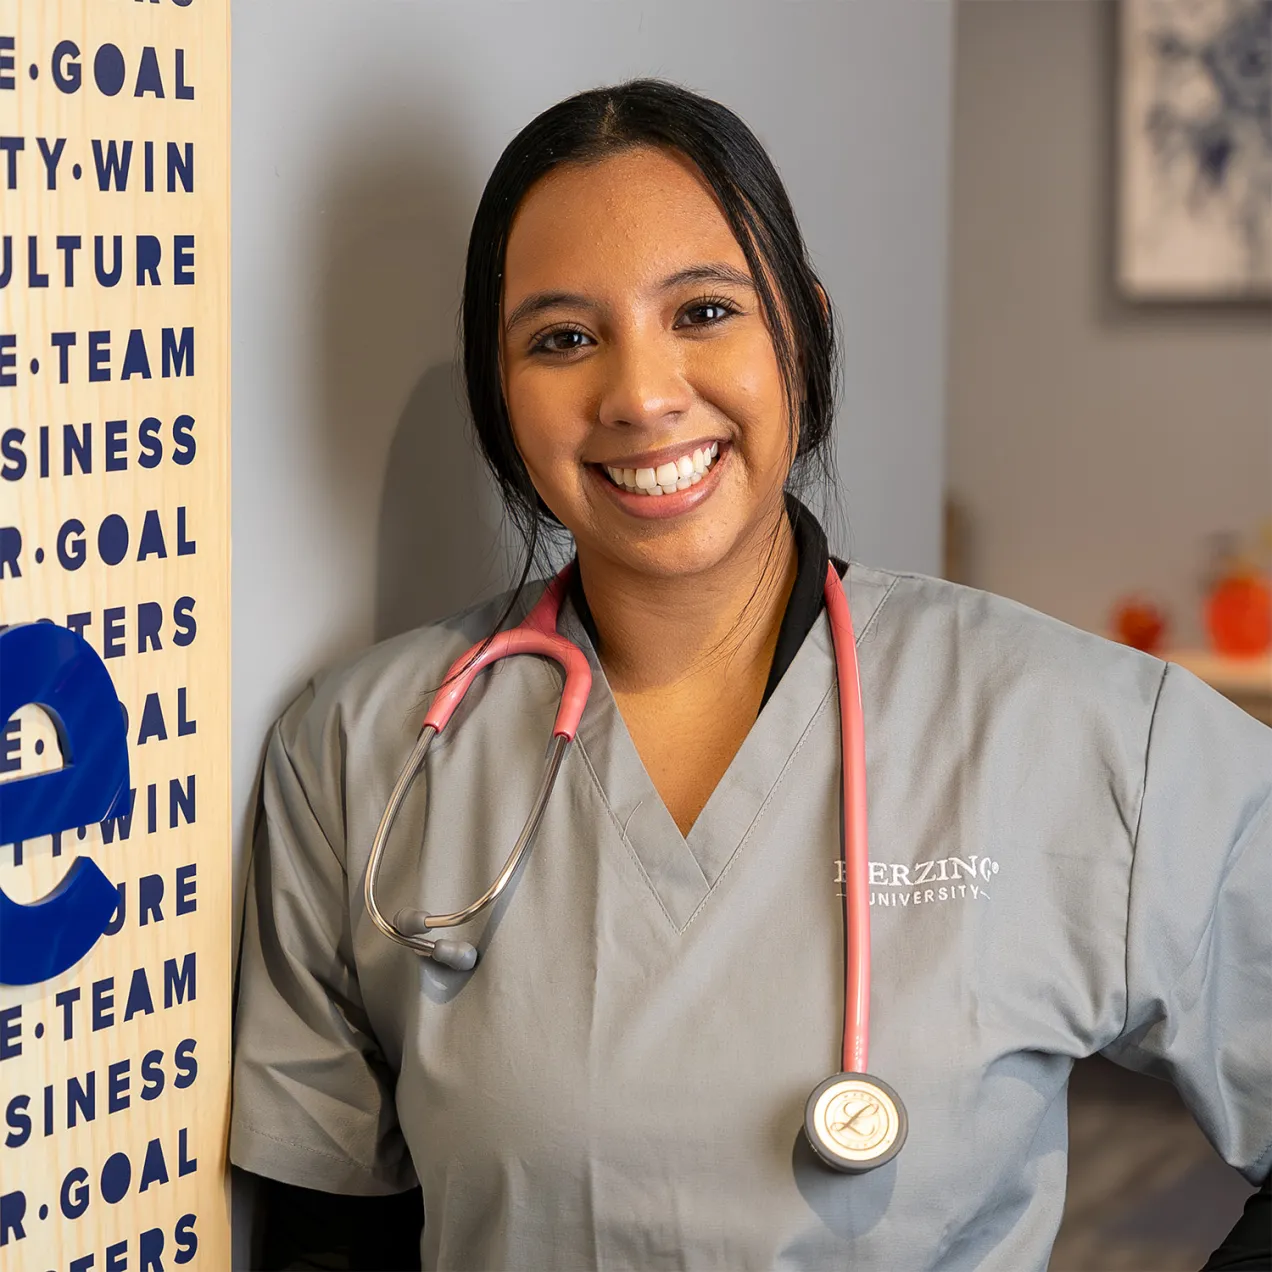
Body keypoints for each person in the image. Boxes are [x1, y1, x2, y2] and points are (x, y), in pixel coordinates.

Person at [230, 79, 1272, 1271]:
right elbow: (328, 1229)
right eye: (562, 338)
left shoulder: (1072, 725)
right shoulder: (360, 753)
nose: (640, 395)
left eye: (705, 310)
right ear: (500, 393)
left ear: (805, 330)